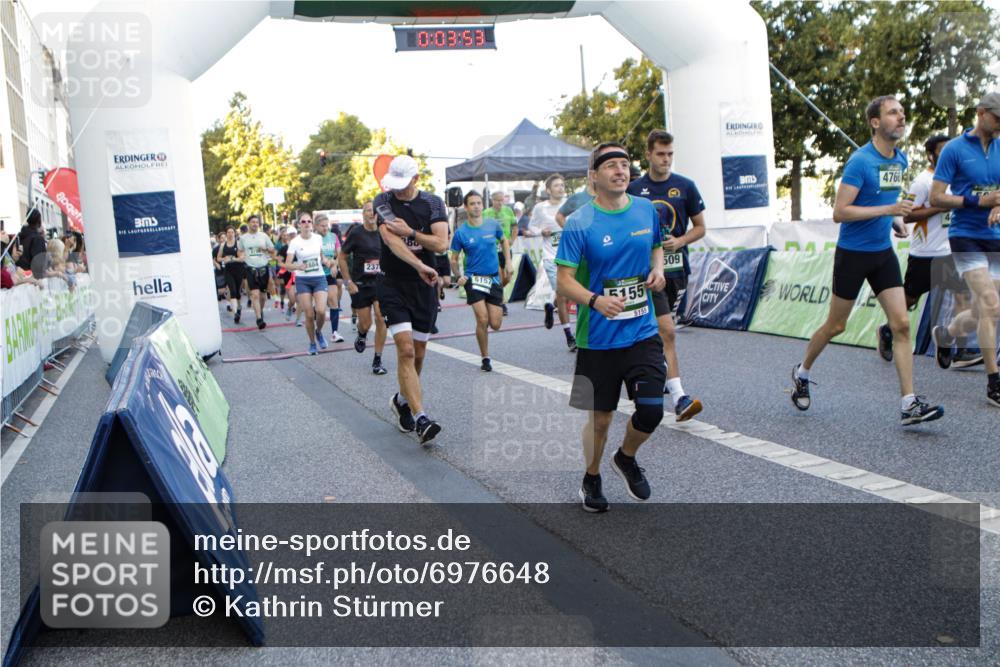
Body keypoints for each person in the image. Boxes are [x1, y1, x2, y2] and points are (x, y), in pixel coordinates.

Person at [791, 96, 944, 425]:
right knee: (836, 325)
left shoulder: (900, 160)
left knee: (902, 324)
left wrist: (895, 221)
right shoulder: (860, 162)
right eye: (893, 113)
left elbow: (884, 201)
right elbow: (840, 212)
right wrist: (888, 211)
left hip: (882, 253)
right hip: (853, 255)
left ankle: (908, 403)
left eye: (903, 112)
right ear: (875, 122)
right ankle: (802, 372)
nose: (901, 117)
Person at [555, 142, 666, 512]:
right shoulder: (580, 223)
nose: (621, 171)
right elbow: (564, 282)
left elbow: (656, 246)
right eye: (611, 166)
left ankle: (627, 457)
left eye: (625, 165)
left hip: (641, 330)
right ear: (593, 177)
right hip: (597, 337)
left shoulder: (646, 210)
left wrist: (658, 270)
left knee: (651, 409)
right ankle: (591, 476)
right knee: (600, 419)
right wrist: (595, 300)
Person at [627, 129, 705, 421]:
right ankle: (679, 396)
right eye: (660, 154)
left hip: (676, 270)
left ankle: (649, 374)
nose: (666, 159)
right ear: (648, 155)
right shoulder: (634, 189)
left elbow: (700, 228)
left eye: (670, 154)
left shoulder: (686, 186)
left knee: (658, 333)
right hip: (645, 273)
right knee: (667, 331)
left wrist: (680, 241)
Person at [929, 91, 1000, 408]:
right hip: (965, 234)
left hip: (994, 233)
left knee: (988, 310)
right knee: (990, 303)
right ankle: (994, 383)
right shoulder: (954, 150)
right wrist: (977, 202)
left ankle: (945, 334)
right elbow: (936, 198)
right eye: (997, 118)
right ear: (982, 112)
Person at [876, 135, 971, 363]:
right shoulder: (923, 182)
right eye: (943, 151)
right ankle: (888, 330)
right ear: (931, 155)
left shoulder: (956, 179)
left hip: (950, 249)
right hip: (925, 253)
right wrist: (939, 206)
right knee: (909, 299)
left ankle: (948, 341)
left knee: (961, 300)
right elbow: (907, 215)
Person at [374, 155, 449, 444]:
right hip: (393, 283)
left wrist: (413, 233)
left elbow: (442, 244)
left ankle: (402, 400)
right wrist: (420, 265)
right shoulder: (382, 200)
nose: (397, 190)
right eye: (395, 184)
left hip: (424, 289)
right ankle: (421, 419)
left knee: (418, 355)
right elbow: (392, 243)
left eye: (403, 185)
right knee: (405, 350)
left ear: (416, 180)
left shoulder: (432, 203)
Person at [451, 191, 511, 372]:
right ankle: (485, 357)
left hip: (493, 278)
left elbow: (504, 240)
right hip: (474, 279)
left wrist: (508, 261)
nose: (476, 206)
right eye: (472, 203)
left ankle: (485, 346)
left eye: (478, 203)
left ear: (482, 205)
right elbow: (453, 259)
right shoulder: (461, 233)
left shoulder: (492, 225)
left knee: (496, 324)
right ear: (466, 207)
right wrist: (458, 276)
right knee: (482, 319)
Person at [339, 201, 388, 375]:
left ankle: (377, 359)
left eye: (373, 210)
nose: (371, 213)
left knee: (382, 318)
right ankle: (361, 333)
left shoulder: (385, 231)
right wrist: (348, 281)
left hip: (381, 282)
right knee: (366, 323)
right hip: (361, 284)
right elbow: (342, 257)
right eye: (367, 210)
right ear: (363, 214)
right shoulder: (357, 233)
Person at [529, 173, 575, 350]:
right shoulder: (541, 208)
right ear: (548, 190)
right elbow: (532, 226)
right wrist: (542, 230)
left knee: (571, 293)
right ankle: (569, 336)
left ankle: (551, 305)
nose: (561, 188)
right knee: (563, 295)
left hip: (570, 255)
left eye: (562, 185)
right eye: (557, 185)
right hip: (551, 257)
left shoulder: (570, 204)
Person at [284, 212, 332, 354]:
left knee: (321, 311)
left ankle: (319, 332)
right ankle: (312, 343)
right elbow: (287, 265)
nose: (306, 224)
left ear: (312, 224)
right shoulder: (295, 242)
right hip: (303, 280)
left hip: (319, 278)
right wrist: (298, 267)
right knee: (309, 315)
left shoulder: (318, 238)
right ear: (299, 225)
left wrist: (327, 262)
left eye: (308, 221)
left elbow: (321, 256)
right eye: (303, 222)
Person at [237, 214, 275, 329]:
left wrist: (265, 249)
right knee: (255, 294)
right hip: (250, 268)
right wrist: (242, 256)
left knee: (263, 296)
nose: (255, 224)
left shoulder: (263, 236)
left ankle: (260, 311)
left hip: (263, 267)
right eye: (253, 222)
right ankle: (259, 319)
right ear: (248, 223)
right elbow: (239, 251)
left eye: (257, 222)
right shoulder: (243, 238)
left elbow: (272, 250)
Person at [483, 191, 518, 316]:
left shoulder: (508, 211)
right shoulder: (486, 213)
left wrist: (512, 240)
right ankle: (501, 303)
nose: (499, 203)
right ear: (492, 200)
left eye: (501, 200)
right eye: (497, 200)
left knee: (507, 277)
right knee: (498, 276)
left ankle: (494, 293)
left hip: (506, 249)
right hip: (492, 249)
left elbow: (515, 227)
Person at [315, 213, 346, 343]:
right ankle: (317, 330)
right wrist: (326, 262)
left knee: (334, 301)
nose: (325, 228)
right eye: (322, 226)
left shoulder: (333, 236)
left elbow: (339, 254)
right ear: (316, 226)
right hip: (316, 275)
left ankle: (334, 333)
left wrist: (335, 265)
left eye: (326, 225)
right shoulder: (313, 238)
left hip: (329, 274)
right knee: (319, 309)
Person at [216, 226, 245, 321]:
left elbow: (242, 258)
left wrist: (232, 258)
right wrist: (224, 259)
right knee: (232, 291)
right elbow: (218, 258)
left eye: (232, 232)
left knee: (237, 292)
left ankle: (239, 307)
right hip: (228, 270)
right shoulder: (222, 245)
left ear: (234, 233)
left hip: (238, 270)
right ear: (226, 233)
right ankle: (235, 313)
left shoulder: (239, 244)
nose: (230, 234)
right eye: (228, 232)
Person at [16, 209, 47, 276]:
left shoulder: (18, 237)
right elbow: (39, 264)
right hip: (32, 279)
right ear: (39, 220)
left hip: (20, 275)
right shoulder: (38, 238)